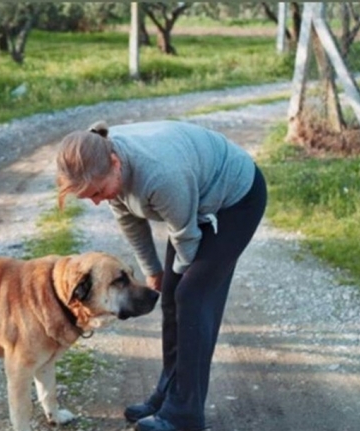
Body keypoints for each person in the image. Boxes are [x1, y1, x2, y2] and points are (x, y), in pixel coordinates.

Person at [55, 120, 267, 431]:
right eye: (89, 198)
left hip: (235, 200)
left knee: (192, 298)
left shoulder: (159, 173)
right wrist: (153, 270)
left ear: (115, 164)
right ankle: (168, 395)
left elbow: (186, 237)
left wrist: (181, 280)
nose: (97, 201)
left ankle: (185, 415)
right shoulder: (106, 161)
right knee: (171, 294)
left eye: (98, 192)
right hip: (195, 202)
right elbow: (129, 221)